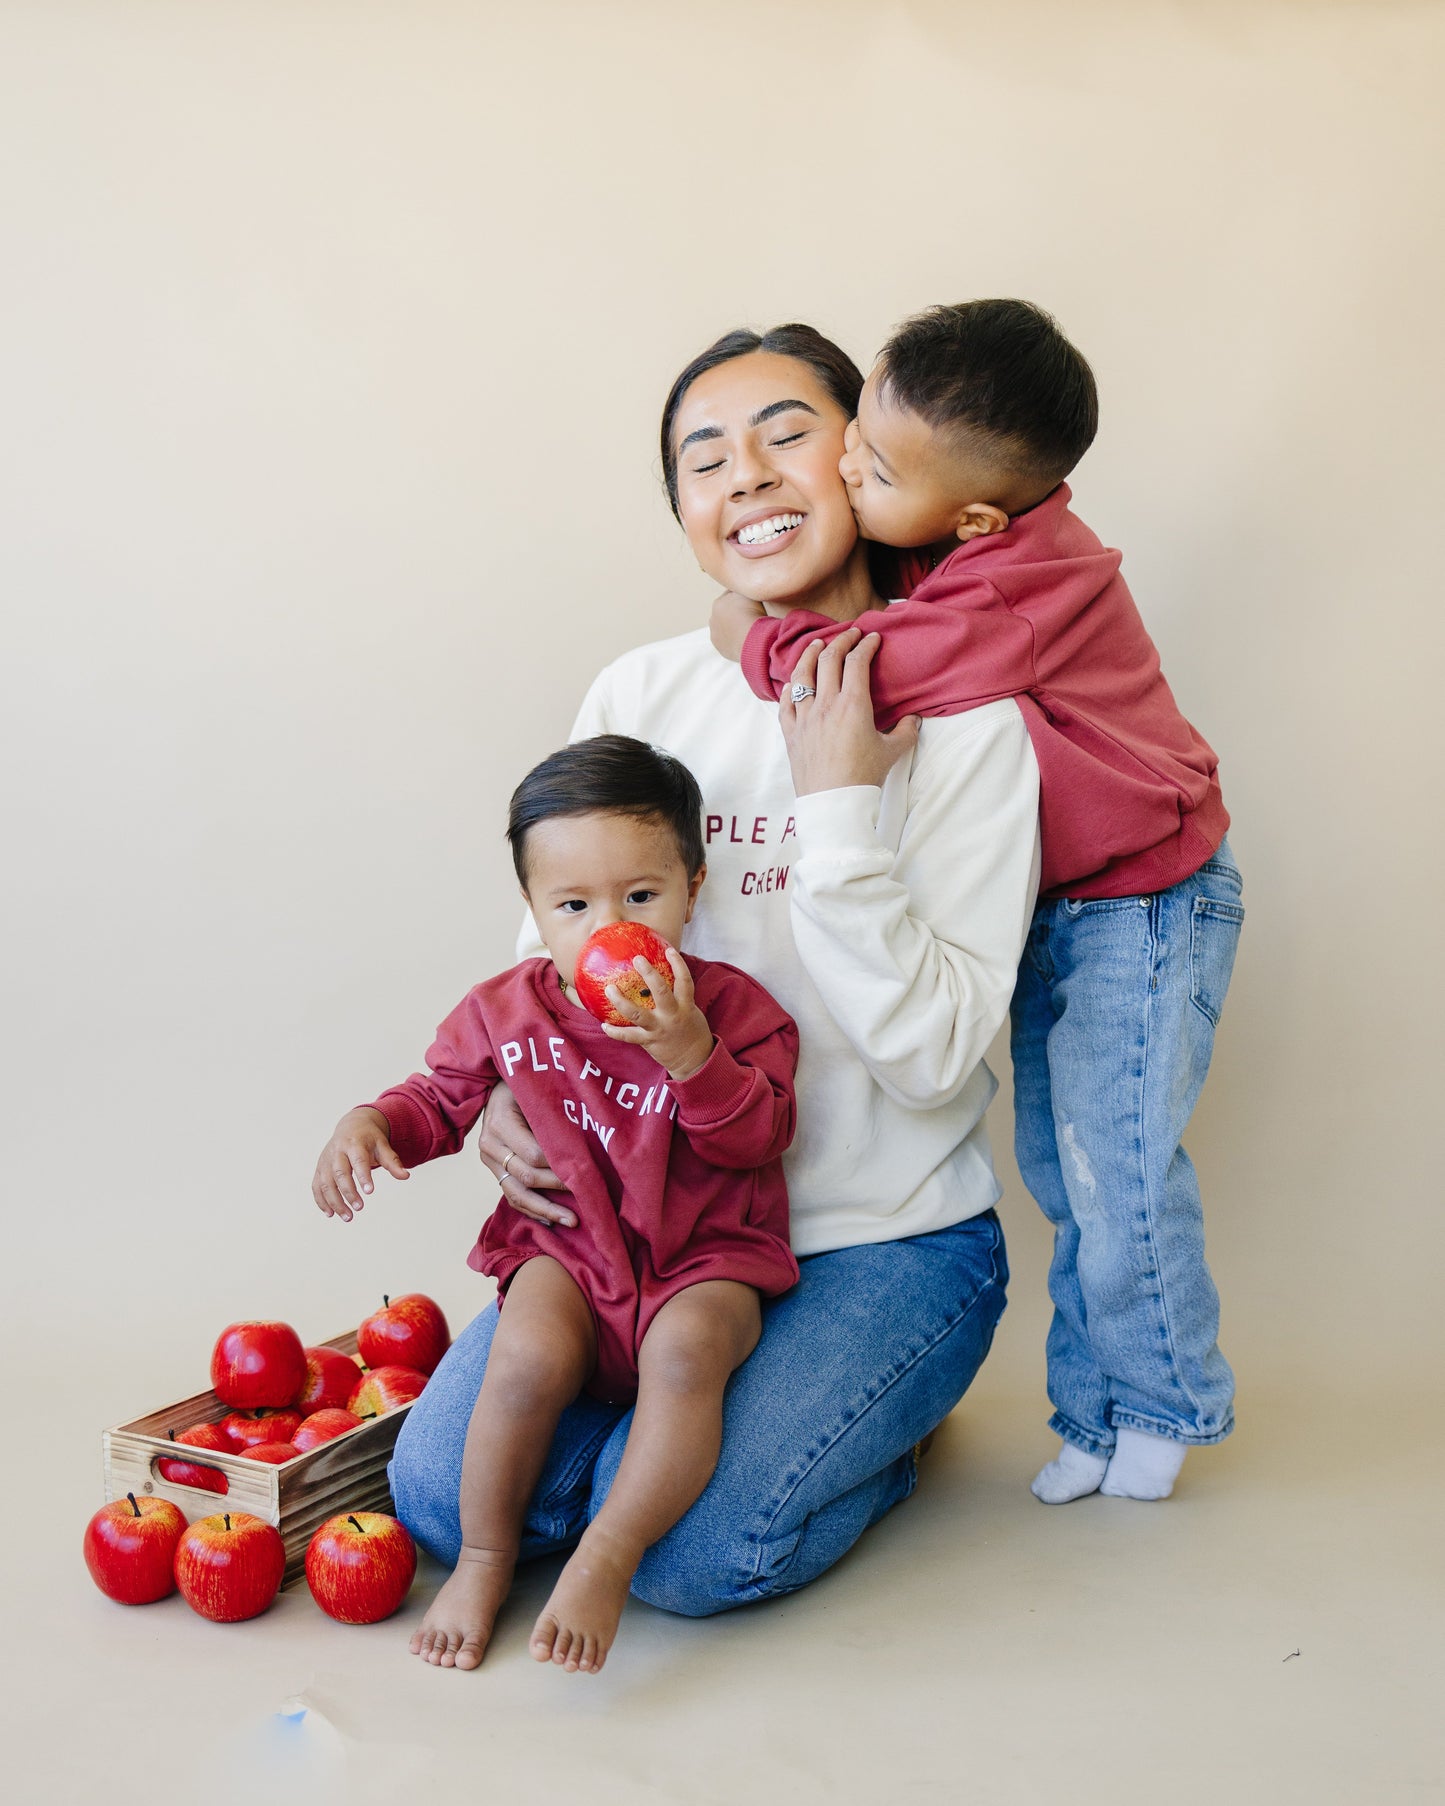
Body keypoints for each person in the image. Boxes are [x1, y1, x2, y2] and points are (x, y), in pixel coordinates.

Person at [387, 322, 1040, 1628]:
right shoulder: (644, 688)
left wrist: (840, 803)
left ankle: (885, 1426)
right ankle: (663, 1448)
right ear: (684, 513)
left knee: (696, 1562)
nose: (744, 474)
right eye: (703, 459)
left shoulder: (970, 719)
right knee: (445, 1503)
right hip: (638, 1233)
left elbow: (928, 1057)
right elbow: (553, 948)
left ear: (865, 465)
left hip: (876, 1237)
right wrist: (516, 1092)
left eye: (788, 434)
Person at [716, 299, 1243, 1504]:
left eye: (873, 466)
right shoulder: (945, 534)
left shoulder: (1009, 586)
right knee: (1065, 1176)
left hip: (1145, 900)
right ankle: (1096, 1416)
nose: (845, 463)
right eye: (857, 433)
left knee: (1117, 1171)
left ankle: (1163, 1403)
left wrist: (740, 628)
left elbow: (861, 675)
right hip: (1060, 905)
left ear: (972, 518)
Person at [312, 736, 800, 1673]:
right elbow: (439, 1098)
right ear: (534, 910)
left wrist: (690, 1049)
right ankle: (488, 1559)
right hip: (569, 1248)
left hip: (702, 1255)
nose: (607, 923)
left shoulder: (737, 1011)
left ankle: (607, 1554)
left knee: (689, 1352)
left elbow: (758, 1137)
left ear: (693, 887)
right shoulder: (507, 1009)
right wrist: (372, 1122)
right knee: (526, 1353)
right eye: (573, 905)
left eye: (640, 897)